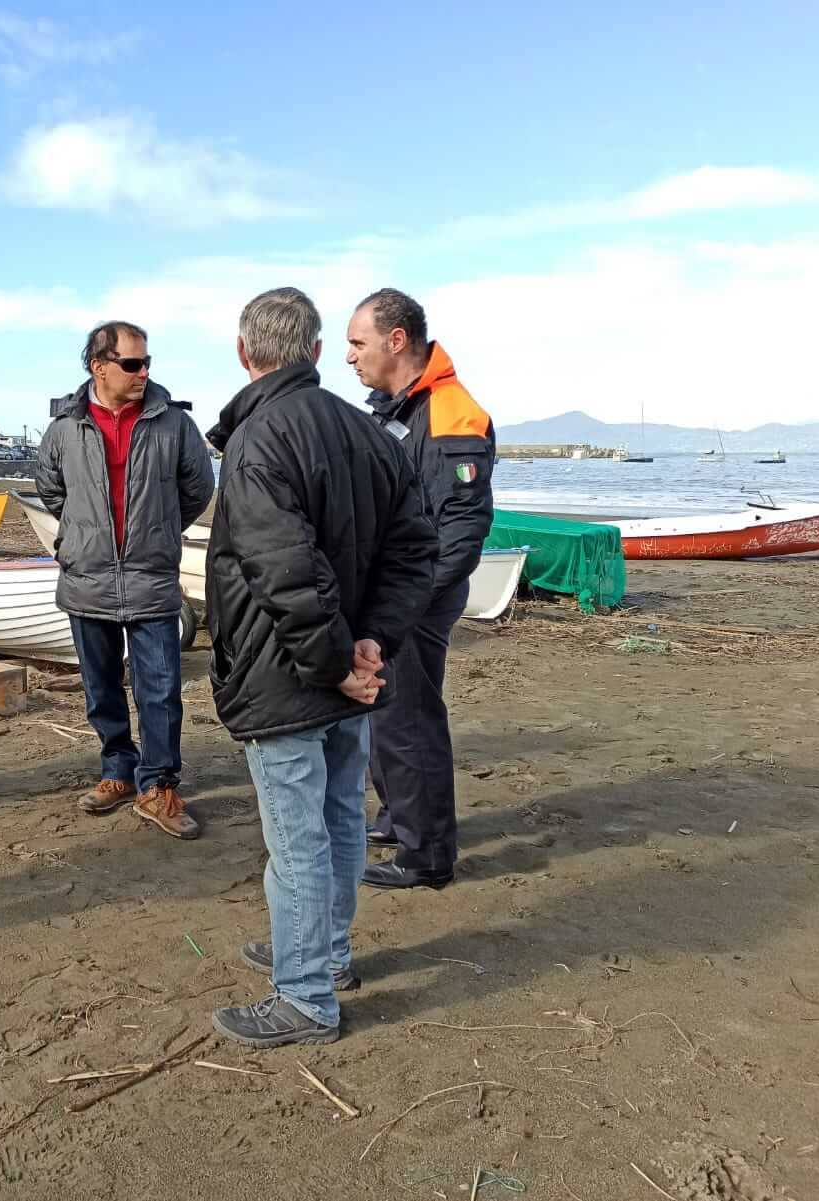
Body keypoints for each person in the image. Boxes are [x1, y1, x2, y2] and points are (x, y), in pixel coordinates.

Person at [206, 287, 436, 1047]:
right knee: (334, 816)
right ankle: (323, 954)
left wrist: (349, 653)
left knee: (301, 833)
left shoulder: (261, 440)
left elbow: (285, 570)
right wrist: (370, 641)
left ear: (247, 354)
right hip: (335, 668)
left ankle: (305, 992)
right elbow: (411, 550)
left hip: (295, 673)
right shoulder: (366, 432)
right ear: (309, 351)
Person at [35, 321, 215, 839]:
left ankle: (157, 784)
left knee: (161, 690)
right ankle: (117, 770)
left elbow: (197, 489)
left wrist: (155, 530)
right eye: (132, 364)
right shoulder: (65, 427)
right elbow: (51, 490)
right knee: (101, 686)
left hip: (151, 578)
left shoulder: (174, 425)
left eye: (147, 363)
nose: (144, 372)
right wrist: (85, 536)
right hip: (86, 578)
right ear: (99, 366)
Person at [345, 289, 496, 891]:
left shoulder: (453, 411)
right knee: (383, 712)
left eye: (358, 343)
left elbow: (462, 528)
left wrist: (403, 605)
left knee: (409, 718)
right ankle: (397, 817)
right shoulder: (396, 409)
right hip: (393, 592)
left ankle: (428, 854)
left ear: (395, 340)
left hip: (420, 597)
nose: (350, 357)